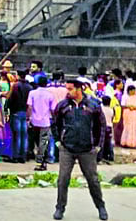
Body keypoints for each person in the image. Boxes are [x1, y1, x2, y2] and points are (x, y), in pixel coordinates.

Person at [52, 79, 107, 221]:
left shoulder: (93, 105)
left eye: (70, 89)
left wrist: (98, 145)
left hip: (87, 150)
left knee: (93, 180)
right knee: (63, 179)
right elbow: (54, 124)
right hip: (67, 149)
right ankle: (59, 208)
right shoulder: (62, 106)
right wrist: (58, 141)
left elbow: (102, 126)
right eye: (67, 89)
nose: (67, 92)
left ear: (79, 89)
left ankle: (101, 207)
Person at [28, 76, 56, 171]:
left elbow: (30, 107)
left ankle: (40, 161)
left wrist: (29, 118)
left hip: (35, 121)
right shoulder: (50, 95)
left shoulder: (32, 93)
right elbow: (52, 109)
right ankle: (41, 162)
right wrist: (54, 118)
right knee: (43, 143)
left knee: (37, 141)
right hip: (45, 121)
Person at [6, 69, 33, 163]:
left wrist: (7, 108)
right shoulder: (30, 87)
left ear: (18, 75)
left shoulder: (15, 86)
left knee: (16, 135)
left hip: (16, 111)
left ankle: (16, 156)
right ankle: (23, 156)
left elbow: (10, 99)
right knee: (24, 135)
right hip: (25, 112)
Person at [98, 96, 116, 163]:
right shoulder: (111, 110)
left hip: (102, 127)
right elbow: (113, 117)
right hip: (109, 126)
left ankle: (100, 157)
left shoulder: (101, 109)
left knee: (101, 142)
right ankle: (110, 156)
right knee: (109, 142)